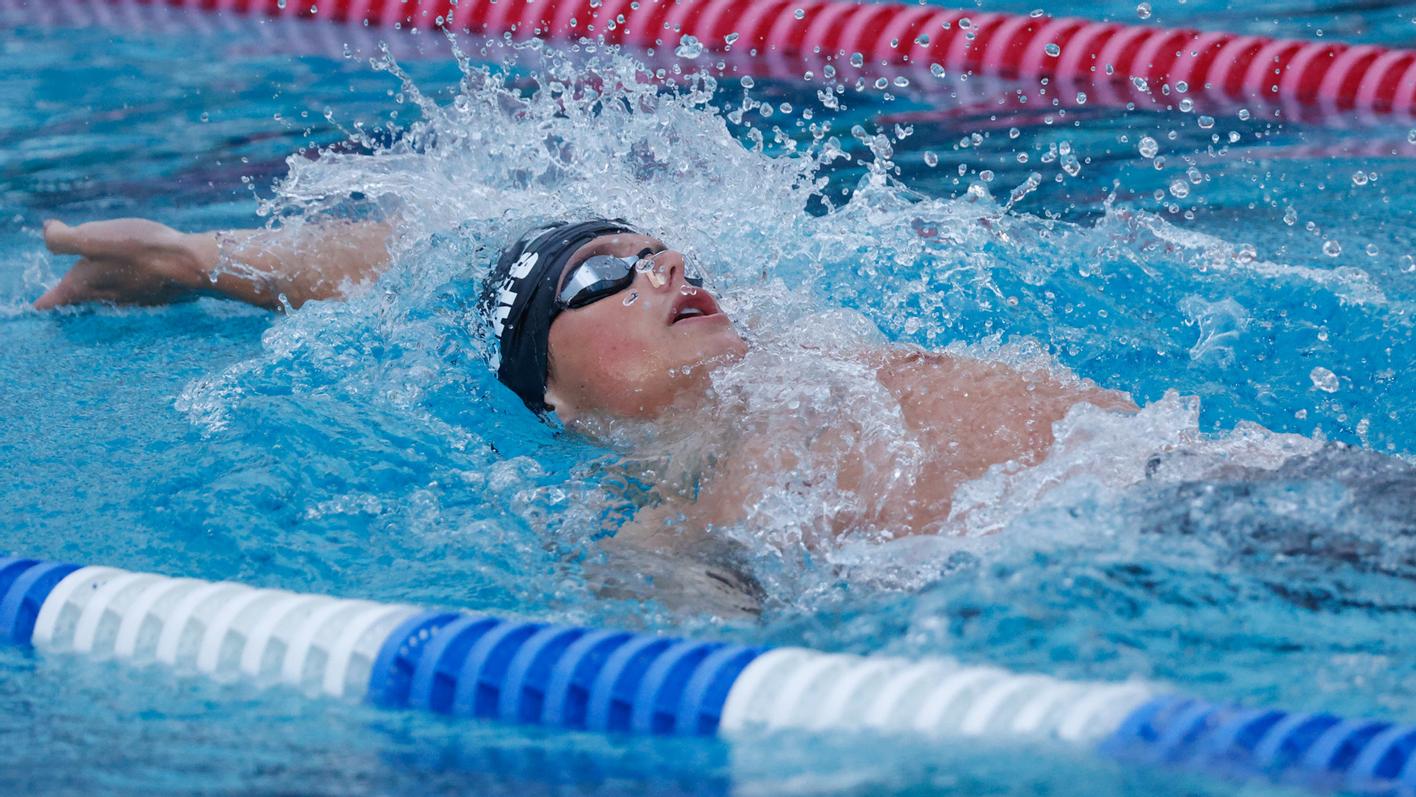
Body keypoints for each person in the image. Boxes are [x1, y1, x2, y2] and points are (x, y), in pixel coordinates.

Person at [34, 215, 1139, 614]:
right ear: (550, 400)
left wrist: (208, 259)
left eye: (661, 252)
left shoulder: (810, 344)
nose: (663, 269)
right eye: (607, 277)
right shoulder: (673, 523)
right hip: (1166, 560)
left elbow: (439, 237)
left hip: (1225, 479)